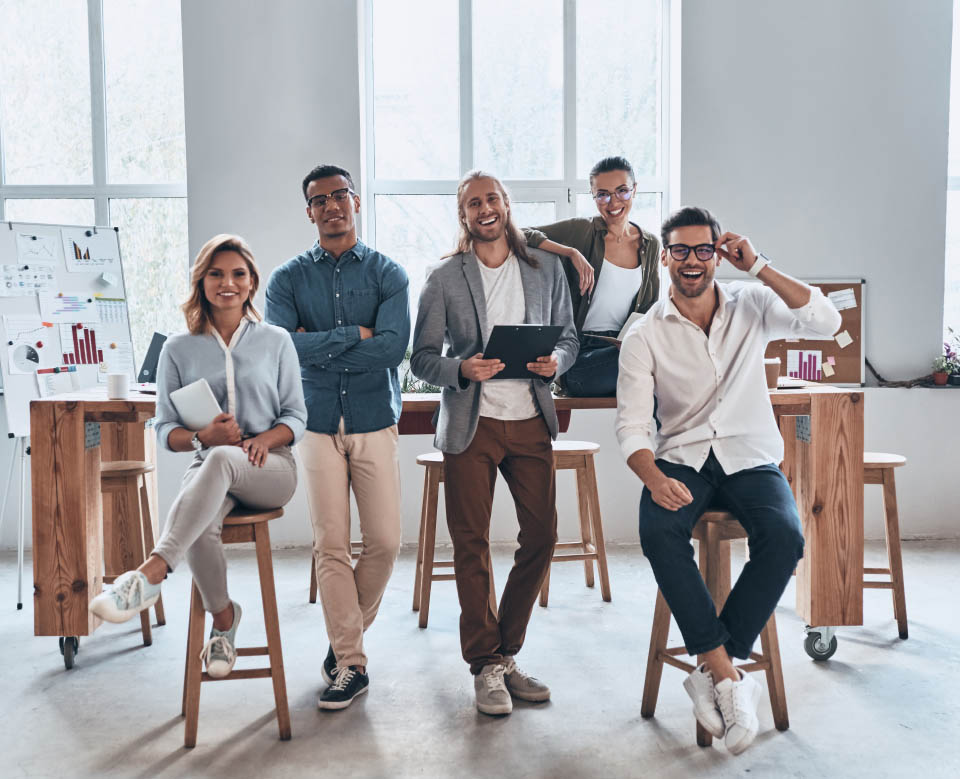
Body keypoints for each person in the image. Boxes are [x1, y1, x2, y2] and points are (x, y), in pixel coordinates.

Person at [616, 206, 841, 754]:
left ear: (718, 254)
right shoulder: (644, 333)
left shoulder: (753, 304)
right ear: (665, 257)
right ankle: (727, 675)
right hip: (682, 458)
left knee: (785, 537)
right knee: (658, 529)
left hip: (750, 456)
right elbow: (632, 426)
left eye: (702, 249)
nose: (691, 261)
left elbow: (827, 322)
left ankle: (715, 668)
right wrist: (653, 478)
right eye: (680, 250)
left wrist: (759, 265)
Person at [90, 234, 307, 680]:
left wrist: (265, 440)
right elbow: (164, 429)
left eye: (238, 274)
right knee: (200, 522)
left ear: (251, 282)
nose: (228, 283)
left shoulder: (276, 340)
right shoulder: (177, 348)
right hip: (208, 463)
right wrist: (202, 436)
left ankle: (150, 573)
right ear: (201, 282)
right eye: (216, 274)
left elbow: (296, 416)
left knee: (221, 461)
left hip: (270, 467)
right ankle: (224, 621)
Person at [411, 170, 578, 716]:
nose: (484, 209)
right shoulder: (444, 277)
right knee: (471, 543)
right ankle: (486, 663)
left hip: (530, 418)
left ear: (506, 204)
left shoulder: (546, 268)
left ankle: (505, 654)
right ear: (463, 215)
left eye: (492, 199)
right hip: (471, 423)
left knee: (542, 536)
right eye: (473, 203)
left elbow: (569, 337)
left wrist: (557, 363)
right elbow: (421, 359)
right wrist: (462, 368)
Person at [265, 163, 409, 711]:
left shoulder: (388, 273)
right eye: (319, 200)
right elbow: (283, 348)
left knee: (386, 543)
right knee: (330, 545)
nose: (331, 205)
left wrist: (321, 342)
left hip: (374, 418)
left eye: (339, 195)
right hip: (316, 422)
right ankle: (352, 662)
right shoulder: (286, 279)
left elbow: (392, 349)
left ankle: (342, 638)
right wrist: (355, 334)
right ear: (309, 212)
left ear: (356, 201)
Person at [523, 156, 661, 396]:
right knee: (652, 366)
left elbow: (648, 310)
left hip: (625, 347)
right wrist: (570, 252)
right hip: (580, 357)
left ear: (635, 189)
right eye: (603, 194)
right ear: (593, 196)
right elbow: (518, 233)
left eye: (622, 191)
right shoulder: (582, 230)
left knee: (664, 355)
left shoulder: (650, 244)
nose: (613, 202)